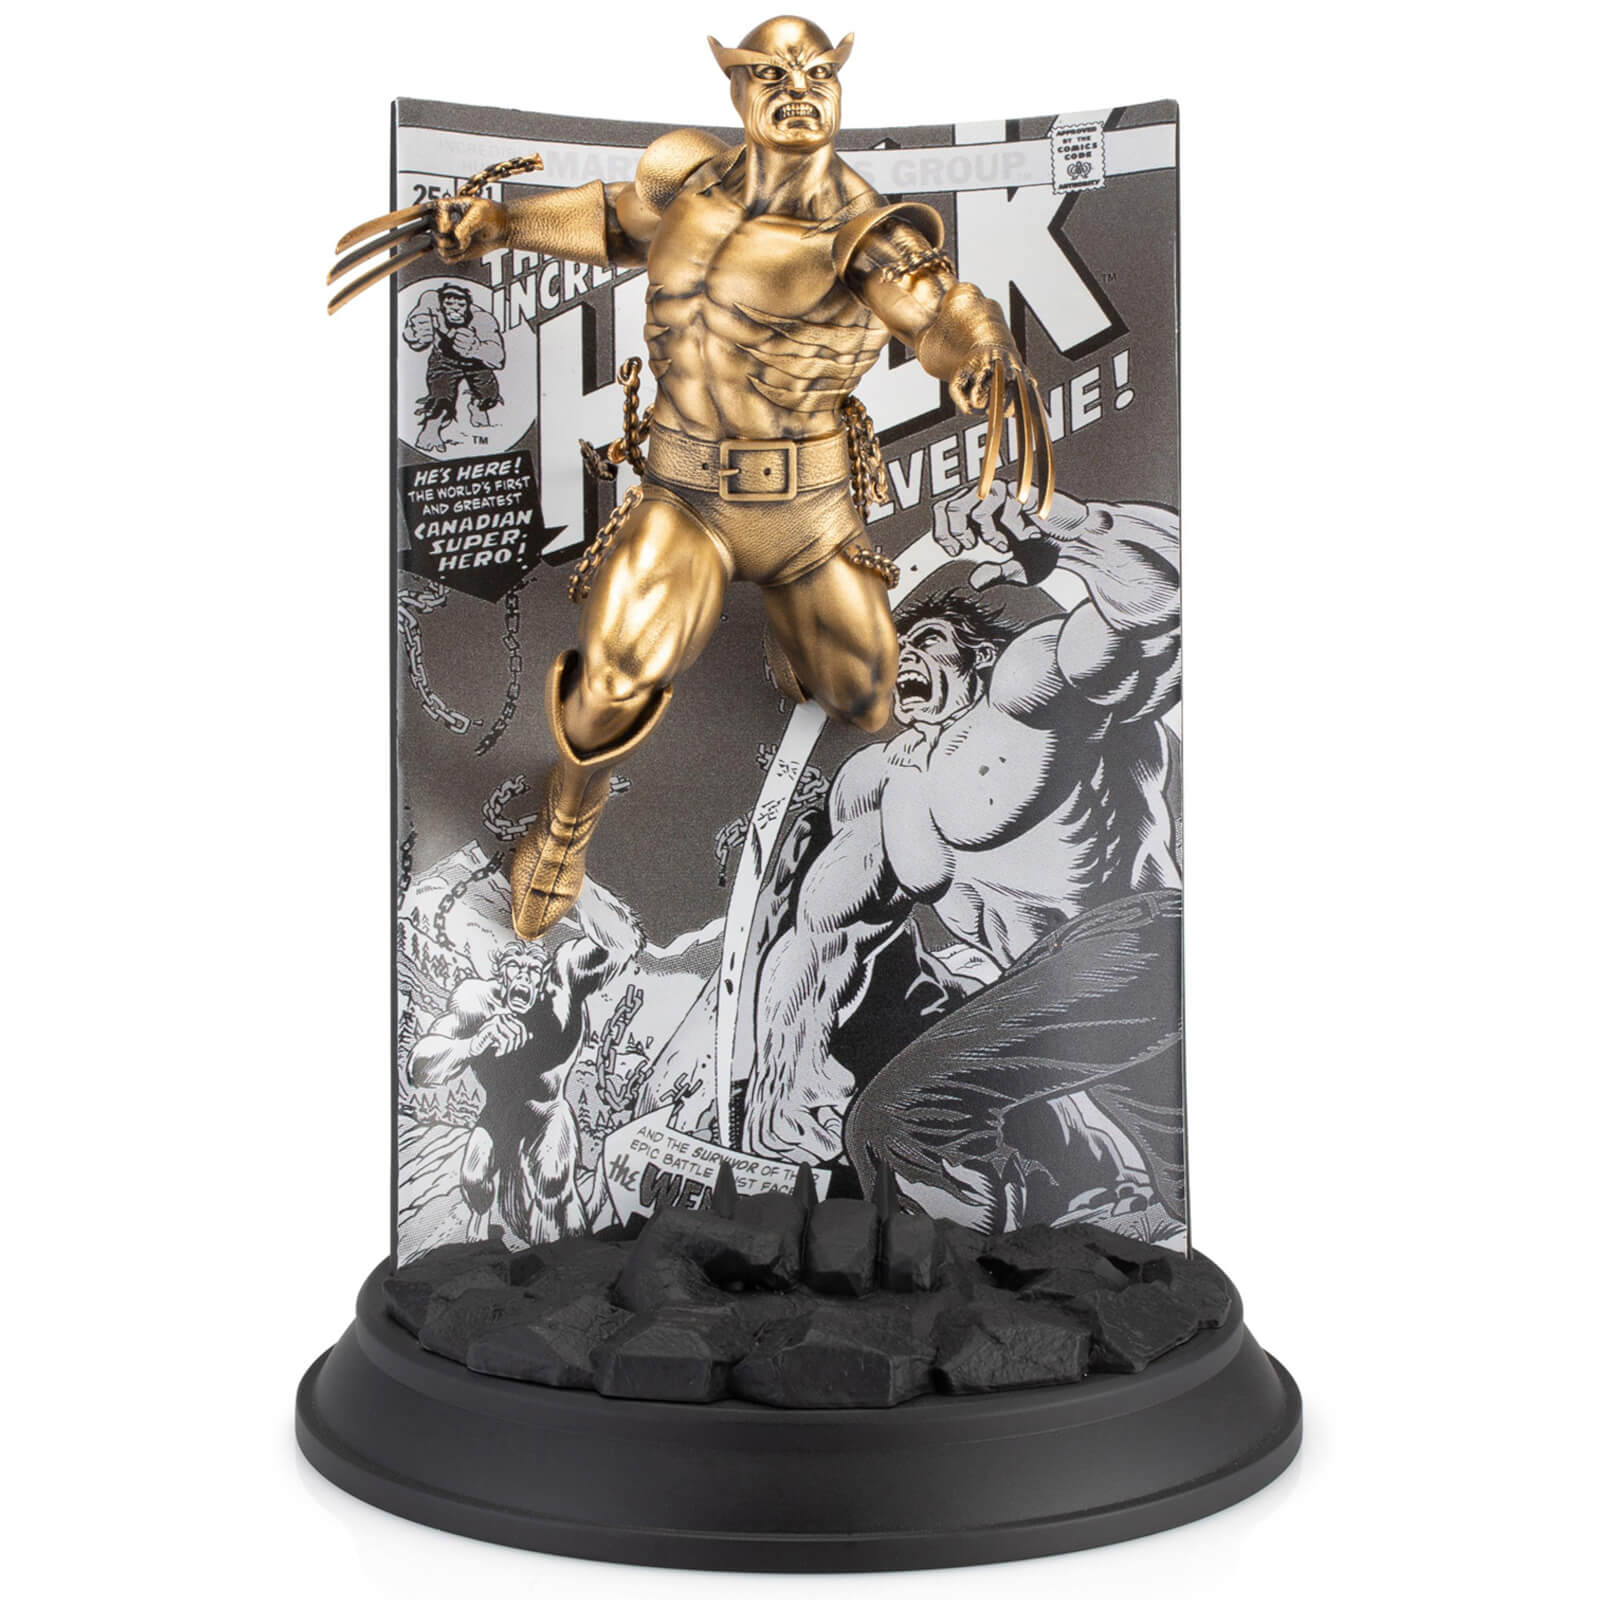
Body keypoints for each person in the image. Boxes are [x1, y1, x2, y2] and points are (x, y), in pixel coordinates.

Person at [345, 16, 1055, 939]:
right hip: (686, 493)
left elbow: (931, 302)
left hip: (808, 512)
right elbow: (614, 220)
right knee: (614, 674)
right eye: (773, 74)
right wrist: (505, 223)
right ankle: (565, 825)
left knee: (866, 699)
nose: (798, 90)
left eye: (818, 73)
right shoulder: (688, 181)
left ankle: (792, 632)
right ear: (737, 88)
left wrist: (982, 343)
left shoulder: (864, 230)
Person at [739, 485, 1182, 1225]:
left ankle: (969, 1288)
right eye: (892, 649)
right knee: (1183, 1186)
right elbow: (823, 933)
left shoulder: (1029, 685)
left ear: (976, 655)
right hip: (1077, 1021)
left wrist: (1072, 526)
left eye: (926, 641)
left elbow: (1163, 604)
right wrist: (786, 1066)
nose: (902, 658)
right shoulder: (879, 786)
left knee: (897, 1127)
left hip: (1142, 947)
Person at [406, 881, 640, 1242]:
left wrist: (570, 883)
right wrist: (472, 1044)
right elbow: (419, 1068)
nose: (523, 978)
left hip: (548, 1111)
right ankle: (480, 1232)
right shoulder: (477, 1001)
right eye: (515, 968)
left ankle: (569, 1252)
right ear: (501, 974)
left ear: (543, 976)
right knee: (474, 1178)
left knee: (553, 1185)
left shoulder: (564, 982)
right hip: (499, 1112)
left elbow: (623, 943)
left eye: (532, 971)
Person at [402, 283, 506, 452]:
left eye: (461, 305)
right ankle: (431, 430)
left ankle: (478, 406)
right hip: (444, 360)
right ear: (441, 306)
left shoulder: (482, 319)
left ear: (468, 306)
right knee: (440, 396)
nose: (455, 309)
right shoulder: (431, 305)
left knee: (489, 395)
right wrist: (415, 331)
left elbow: (499, 358)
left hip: (474, 362)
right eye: (450, 304)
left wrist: (477, 348)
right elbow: (413, 329)